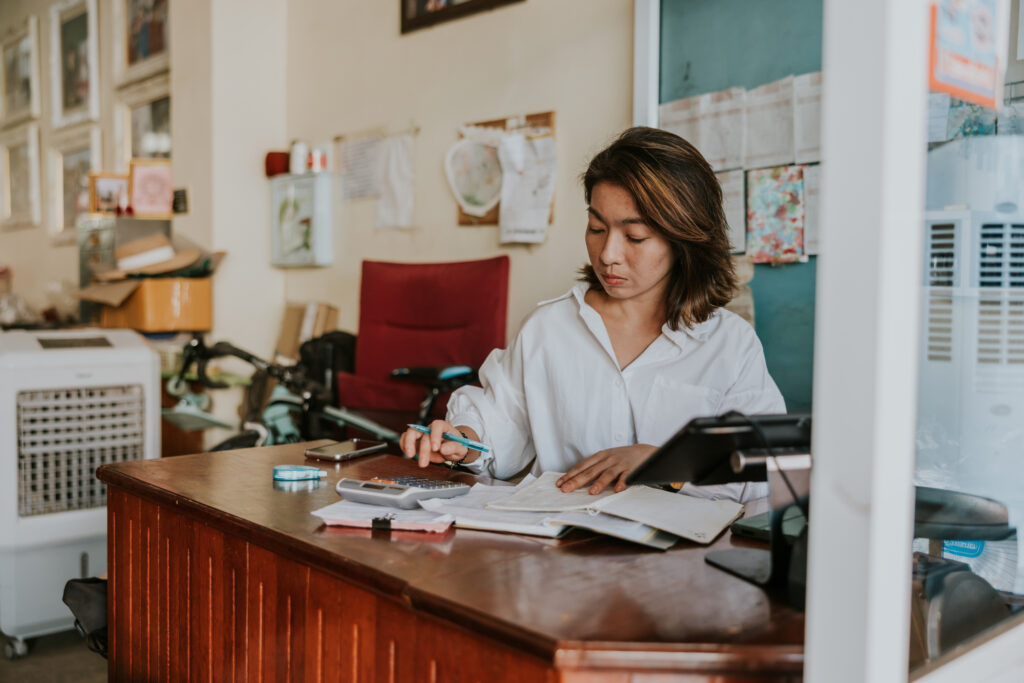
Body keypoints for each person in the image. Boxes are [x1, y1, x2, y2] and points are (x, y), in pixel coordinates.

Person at [400, 127, 785, 502]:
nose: (608, 254)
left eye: (634, 237)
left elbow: (765, 468)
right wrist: (461, 442)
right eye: (596, 228)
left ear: (684, 238)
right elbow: (500, 425)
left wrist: (661, 461)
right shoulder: (548, 329)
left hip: (678, 557)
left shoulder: (729, 344)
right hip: (561, 548)